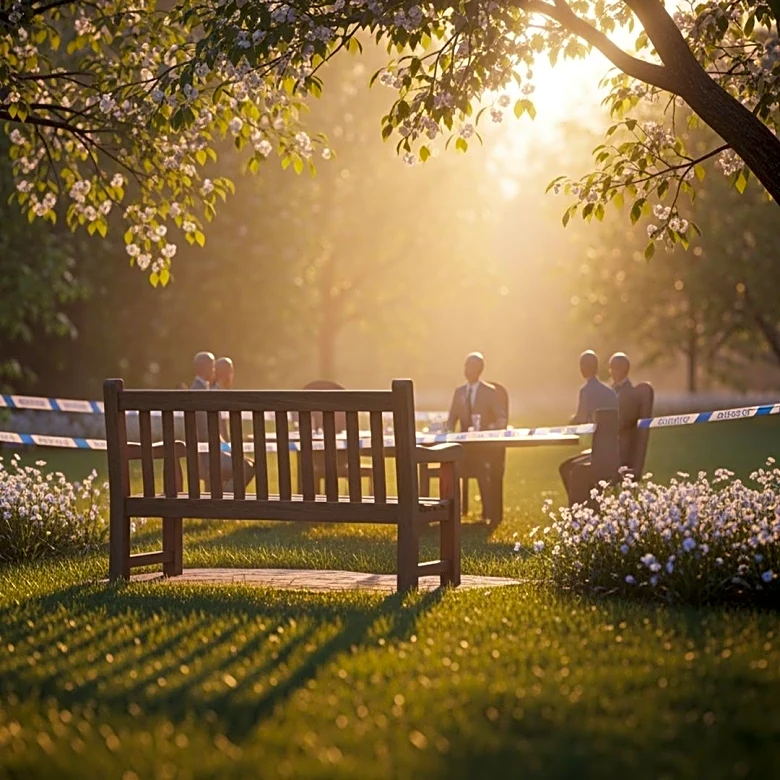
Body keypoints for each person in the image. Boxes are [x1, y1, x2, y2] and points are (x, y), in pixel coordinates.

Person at [446, 352, 507, 526]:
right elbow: (451, 421)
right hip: (464, 448)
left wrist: (489, 430)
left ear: (480, 369)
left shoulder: (490, 392)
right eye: (465, 366)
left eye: (471, 366)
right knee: (450, 464)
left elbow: (501, 418)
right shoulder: (459, 392)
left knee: (482, 468)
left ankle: (487, 512)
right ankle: (452, 512)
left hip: (484, 449)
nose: (467, 370)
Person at [559, 350, 618, 502]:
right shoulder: (610, 392)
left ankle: (579, 505)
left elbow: (581, 418)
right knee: (572, 467)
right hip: (613, 448)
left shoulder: (586, 391)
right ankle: (591, 502)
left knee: (566, 469)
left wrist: (571, 422)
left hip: (599, 452)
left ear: (582, 368)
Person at [210, 355, 253, 492]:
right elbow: (215, 430)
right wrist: (227, 448)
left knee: (250, 463)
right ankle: (226, 498)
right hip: (215, 450)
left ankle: (226, 495)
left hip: (219, 447)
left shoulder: (216, 392)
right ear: (228, 374)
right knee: (247, 466)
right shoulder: (215, 395)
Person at [609, 351, 642, 471]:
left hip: (621, 450)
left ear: (623, 370)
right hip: (611, 447)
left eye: (614, 368)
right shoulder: (613, 390)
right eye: (611, 368)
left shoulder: (629, 393)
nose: (611, 371)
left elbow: (624, 422)